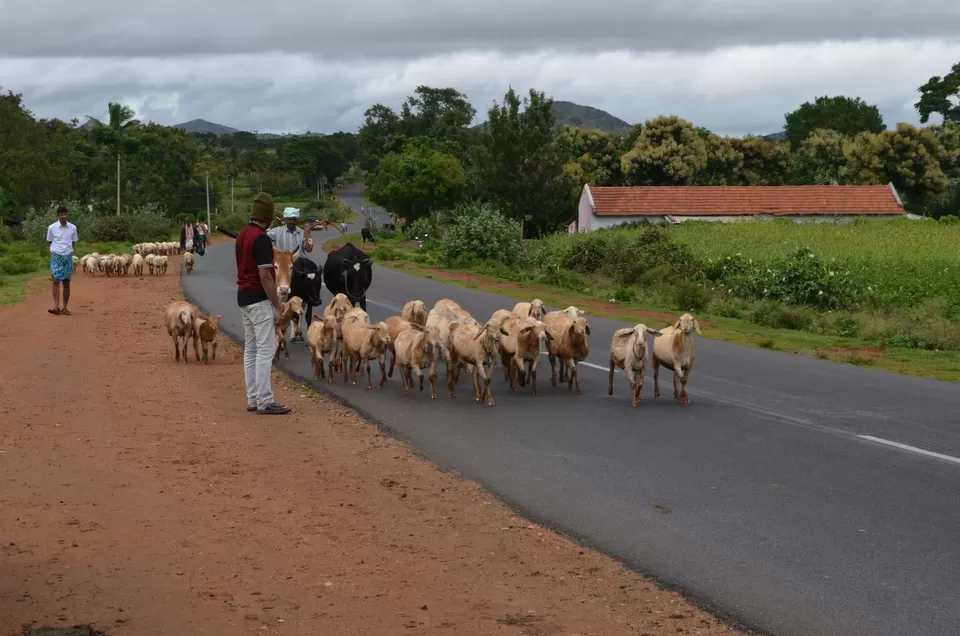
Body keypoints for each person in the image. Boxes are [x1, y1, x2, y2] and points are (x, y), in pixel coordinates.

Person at [237, 193, 290, 415]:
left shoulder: (242, 235)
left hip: (243, 296)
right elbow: (266, 276)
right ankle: (264, 400)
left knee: (250, 349)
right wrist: (277, 304)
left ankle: (252, 398)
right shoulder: (261, 238)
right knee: (265, 350)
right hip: (259, 299)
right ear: (267, 217)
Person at [46, 204, 78, 316]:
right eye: (61, 214)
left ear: (67, 214)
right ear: (57, 215)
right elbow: (50, 241)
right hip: (56, 255)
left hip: (68, 255)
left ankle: (65, 307)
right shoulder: (52, 228)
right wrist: (57, 251)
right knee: (55, 280)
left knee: (66, 282)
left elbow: (73, 241)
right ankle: (56, 307)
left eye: (65, 214)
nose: (64, 216)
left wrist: (67, 251)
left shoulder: (73, 228)